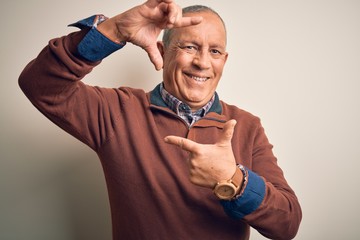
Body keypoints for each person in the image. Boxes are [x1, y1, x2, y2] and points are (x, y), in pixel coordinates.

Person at [18, 0, 302, 239]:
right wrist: (113, 30)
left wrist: (232, 180)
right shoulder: (117, 111)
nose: (203, 62)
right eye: (189, 47)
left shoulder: (247, 126)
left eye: (214, 51)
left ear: (223, 62)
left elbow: (287, 223)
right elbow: (39, 83)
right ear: (164, 53)